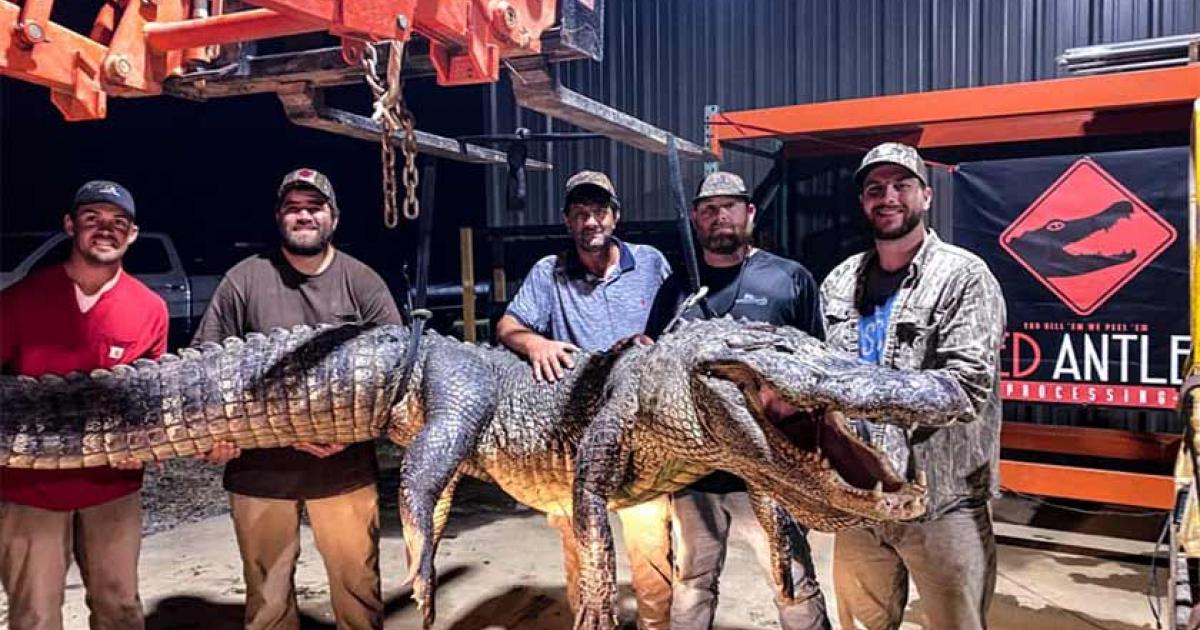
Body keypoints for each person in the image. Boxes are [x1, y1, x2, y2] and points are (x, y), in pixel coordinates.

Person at [193, 168, 403, 630]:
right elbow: (205, 368)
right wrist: (215, 436)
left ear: (334, 217)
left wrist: (351, 436)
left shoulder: (362, 282)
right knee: (267, 599)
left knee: (358, 590)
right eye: (293, 208)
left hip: (343, 468)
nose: (304, 215)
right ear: (279, 216)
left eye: (314, 207)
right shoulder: (244, 280)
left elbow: (397, 374)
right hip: (260, 469)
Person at [822, 142, 1005, 630]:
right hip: (861, 496)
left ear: (925, 196)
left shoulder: (964, 277)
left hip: (943, 503)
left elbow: (966, 389)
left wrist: (865, 391)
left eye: (902, 185)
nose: (889, 197)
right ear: (863, 203)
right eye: (875, 189)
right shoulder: (839, 282)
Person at [643, 171, 830, 630]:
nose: (719, 216)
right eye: (709, 209)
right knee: (691, 582)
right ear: (695, 219)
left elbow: (819, 372)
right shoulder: (677, 288)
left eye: (729, 206)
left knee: (792, 580)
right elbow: (653, 362)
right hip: (693, 472)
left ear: (750, 212)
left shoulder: (789, 279)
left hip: (766, 472)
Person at [495, 170, 673, 629]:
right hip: (574, 443)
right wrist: (536, 344)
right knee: (581, 553)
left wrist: (656, 343)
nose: (590, 221)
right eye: (579, 214)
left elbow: (679, 320)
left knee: (652, 550)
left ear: (615, 216)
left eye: (598, 211)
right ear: (567, 221)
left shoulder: (650, 263)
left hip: (642, 440)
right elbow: (508, 327)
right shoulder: (549, 272)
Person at [0, 180, 168, 630]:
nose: (105, 230)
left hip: (112, 486)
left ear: (132, 234)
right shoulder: (18, 301)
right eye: (92, 219)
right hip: (30, 489)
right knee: (33, 614)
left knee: (121, 610)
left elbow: (150, 397)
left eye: (118, 223)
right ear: (70, 225)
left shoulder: (150, 308)